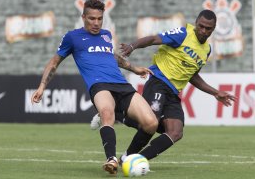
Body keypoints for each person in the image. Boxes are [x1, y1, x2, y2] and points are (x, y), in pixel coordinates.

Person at [31, 0, 158, 175]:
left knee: (151, 124)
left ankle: (127, 157)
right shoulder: (72, 37)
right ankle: (111, 159)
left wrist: (135, 69)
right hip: (99, 85)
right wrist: (42, 86)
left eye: (99, 18)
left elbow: (111, 57)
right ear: (83, 17)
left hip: (121, 84)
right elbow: (54, 62)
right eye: (92, 18)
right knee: (107, 113)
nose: (96, 23)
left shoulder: (106, 35)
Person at [91, 9, 236, 162]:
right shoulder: (183, 34)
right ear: (196, 23)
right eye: (201, 26)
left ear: (213, 29)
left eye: (208, 28)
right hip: (158, 82)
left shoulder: (206, 50)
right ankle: (113, 113)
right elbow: (154, 39)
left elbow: (192, 76)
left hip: (173, 93)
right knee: (150, 121)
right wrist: (133, 46)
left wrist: (215, 92)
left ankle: (134, 160)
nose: (203, 31)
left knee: (175, 132)